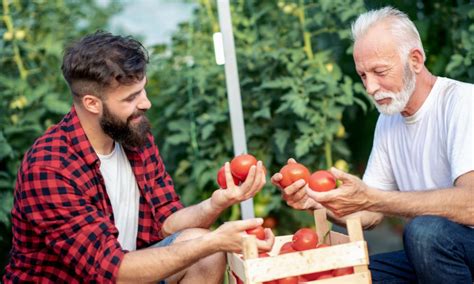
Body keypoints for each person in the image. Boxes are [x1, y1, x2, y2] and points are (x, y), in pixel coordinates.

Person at [4, 31, 273, 283]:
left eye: (143, 90)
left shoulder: (132, 134)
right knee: (205, 246)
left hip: (122, 271)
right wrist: (214, 241)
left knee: (204, 252)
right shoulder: (50, 168)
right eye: (131, 97)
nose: (146, 103)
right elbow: (112, 270)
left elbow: (167, 224)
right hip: (93, 276)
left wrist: (215, 204)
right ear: (92, 103)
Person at [272, 6, 474, 284]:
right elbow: (369, 213)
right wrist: (316, 201)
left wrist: (374, 198)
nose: (370, 87)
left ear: (415, 60)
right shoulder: (389, 120)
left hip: (455, 244)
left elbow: (471, 203)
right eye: (363, 75)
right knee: (355, 275)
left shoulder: (463, 103)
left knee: (424, 232)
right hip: (437, 253)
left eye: (380, 71)